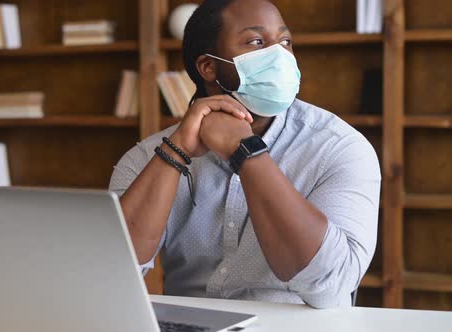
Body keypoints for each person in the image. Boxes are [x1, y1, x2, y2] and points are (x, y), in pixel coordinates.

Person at [109, 0, 380, 309]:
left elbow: (332, 284)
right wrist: (175, 151)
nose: (280, 54)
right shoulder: (148, 156)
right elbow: (112, 268)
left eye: (285, 41)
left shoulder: (339, 147)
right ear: (208, 67)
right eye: (256, 41)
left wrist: (247, 152)